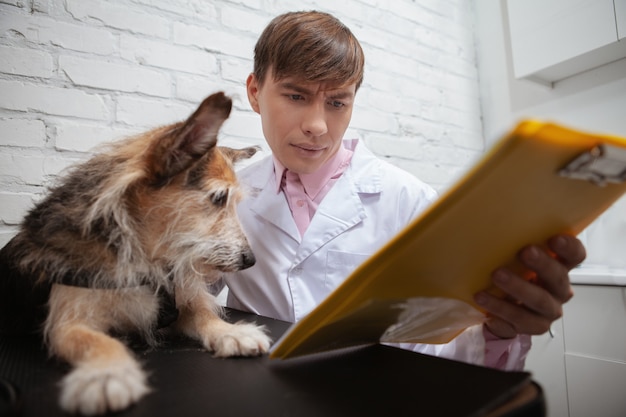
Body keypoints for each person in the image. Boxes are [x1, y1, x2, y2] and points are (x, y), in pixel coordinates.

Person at [217, 10, 586, 370]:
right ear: (254, 92)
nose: (317, 125)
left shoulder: (410, 201)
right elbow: (186, 298)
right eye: (296, 96)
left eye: (337, 103)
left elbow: (444, 343)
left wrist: (502, 330)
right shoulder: (226, 198)